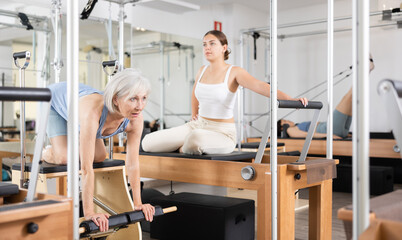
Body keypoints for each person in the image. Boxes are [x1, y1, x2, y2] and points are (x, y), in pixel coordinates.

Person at [141, 30, 308, 154]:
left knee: (195, 139)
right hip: (198, 125)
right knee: (148, 142)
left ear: (224, 47)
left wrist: (290, 99)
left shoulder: (234, 72)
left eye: (212, 43)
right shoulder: (201, 70)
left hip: (222, 132)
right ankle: (183, 147)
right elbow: (195, 94)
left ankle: (183, 146)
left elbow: (260, 86)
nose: (207, 47)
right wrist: (194, 113)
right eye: (204, 44)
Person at [42, 68, 155, 232]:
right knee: (64, 158)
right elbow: (86, 169)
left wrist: (137, 203)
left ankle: (69, 142)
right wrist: (88, 212)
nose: (140, 106)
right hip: (53, 100)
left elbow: (132, 163)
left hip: (82, 107)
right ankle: (47, 151)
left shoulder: (135, 119)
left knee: (100, 156)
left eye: (144, 98)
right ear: (116, 99)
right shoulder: (92, 113)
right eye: (133, 99)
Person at [278, 54, 375, 139]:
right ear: (282, 127)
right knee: (349, 97)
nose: (288, 120)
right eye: (284, 121)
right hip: (328, 129)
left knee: (352, 97)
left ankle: (367, 71)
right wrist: (328, 136)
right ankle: (365, 70)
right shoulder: (290, 130)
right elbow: (308, 136)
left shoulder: (296, 126)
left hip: (335, 130)